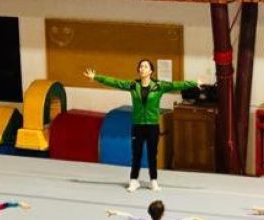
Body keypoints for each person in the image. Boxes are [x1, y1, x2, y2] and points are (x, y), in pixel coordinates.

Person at [83, 61, 199, 192]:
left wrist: (194, 83)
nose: (142, 68)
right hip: (138, 125)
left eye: (145, 66)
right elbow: (115, 82)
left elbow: (177, 84)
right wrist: (96, 77)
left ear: (151, 71)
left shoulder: (159, 86)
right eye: (141, 66)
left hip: (152, 125)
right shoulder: (133, 85)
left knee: (152, 154)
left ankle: (153, 180)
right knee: (136, 154)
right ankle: (134, 180)